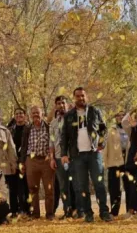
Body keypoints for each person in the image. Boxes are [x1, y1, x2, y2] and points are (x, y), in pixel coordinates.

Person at [60, 87, 111, 222]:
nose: (80, 98)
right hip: (77, 156)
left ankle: (104, 212)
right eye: (78, 96)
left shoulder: (94, 112)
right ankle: (88, 214)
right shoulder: (69, 115)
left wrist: (101, 143)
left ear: (86, 96)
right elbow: (63, 136)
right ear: (74, 98)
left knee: (99, 184)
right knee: (82, 186)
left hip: (94, 153)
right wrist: (64, 154)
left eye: (82, 96)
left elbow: (103, 130)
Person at [19, 106, 55, 220]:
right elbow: (24, 146)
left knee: (49, 188)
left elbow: (53, 144)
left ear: (42, 113)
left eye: (37, 112)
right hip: (31, 160)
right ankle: (35, 214)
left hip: (46, 160)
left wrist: (52, 158)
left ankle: (49, 214)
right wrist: (22, 162)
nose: (35, 115)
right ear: (30, 115)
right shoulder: (27, 128)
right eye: (33, 113)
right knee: (32, 189)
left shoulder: (49, 127)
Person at [50, 96, 77, 218]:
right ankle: (67, 211)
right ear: (56, 106)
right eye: (59, 103)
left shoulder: (74, 119)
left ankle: (78, 210)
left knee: (76, 184)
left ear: (67, 104)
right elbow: (51, 142)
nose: (61, 105)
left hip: (73, 156)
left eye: (63, 103)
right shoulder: (53, 123)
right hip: (58, 157)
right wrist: (52, 158)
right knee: (63, 186)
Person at [121, 109, 137, 216]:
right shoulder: (132, 127)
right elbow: (123, 122)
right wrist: (131, 111)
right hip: (132, 158)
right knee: (131, 185)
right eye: (136, 114)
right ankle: (131, 209)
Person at [102, 112, 129, 217]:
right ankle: (114, 212)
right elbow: (106, 147)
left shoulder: (130, 129)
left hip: (127, 161)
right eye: (118, 115)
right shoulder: (111, 130)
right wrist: (105, 162)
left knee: (129, 187)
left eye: (123, 115)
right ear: (115, 118)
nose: (121, 117)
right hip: (114, 162)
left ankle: (129, 211)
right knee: (114, 188)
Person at [8, 108, 31, 215]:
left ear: (25, 115)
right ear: (14, 116)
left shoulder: (29, 128)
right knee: (13, 188)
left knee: (26, 187)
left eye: (21, 113)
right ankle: (14, 210)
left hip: (26, 161)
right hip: (13, 161)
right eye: (16, 114)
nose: (19, 115)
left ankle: (26, 209)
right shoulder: (10, 130)